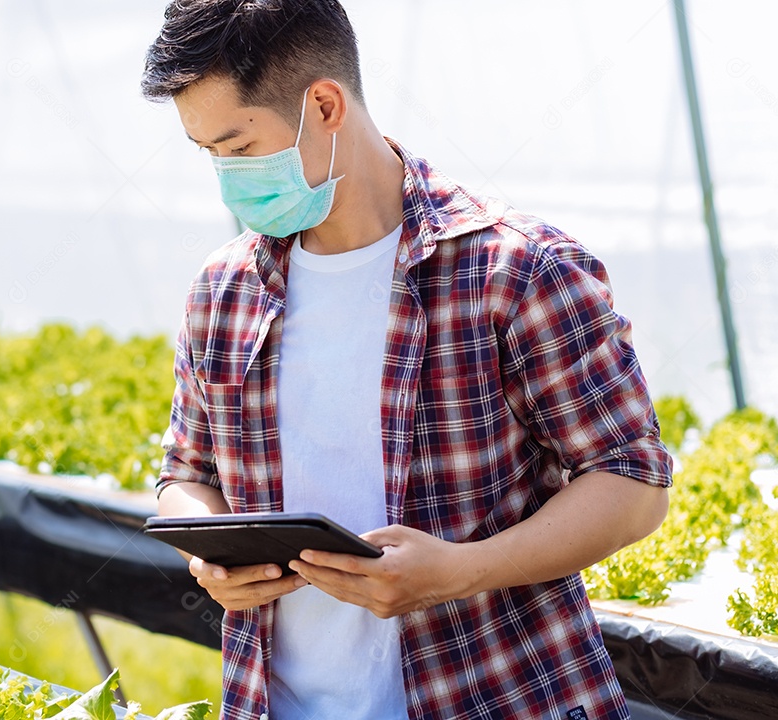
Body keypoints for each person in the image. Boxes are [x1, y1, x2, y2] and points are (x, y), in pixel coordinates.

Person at [142, 2, 672, 718]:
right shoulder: (224, 290)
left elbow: (632, 482)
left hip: (492, 696)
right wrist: (208, 555)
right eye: (207, 152)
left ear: (324, 105)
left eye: (238, 149)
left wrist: (461, 571)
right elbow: (186, 474)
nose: (226, 176)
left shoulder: (515, 270)